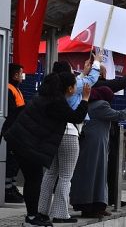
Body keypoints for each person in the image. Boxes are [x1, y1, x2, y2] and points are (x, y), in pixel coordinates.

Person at [4, 72, 90, 227]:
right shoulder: (57, 102)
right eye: (74, 86)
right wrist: (85, 98)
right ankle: (32, 218)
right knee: (34, 180)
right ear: (70, 88)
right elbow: (77, 117)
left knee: (35, 179)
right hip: (26, 143)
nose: (76, 88)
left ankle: (36, 214)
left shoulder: (47, 96)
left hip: (21, 140)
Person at [37, 56, 101, 223]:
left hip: (52, 134)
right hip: (69, 133)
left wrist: (82, 74)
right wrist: (97, 62)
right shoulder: (72, 87)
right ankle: (60, 213)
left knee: (50, 174)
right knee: (66, 176)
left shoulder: (50, 88)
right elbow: (92, 80)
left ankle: (41, 211)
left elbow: (77, 83)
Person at [70, 86, 126, 218]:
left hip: (91, 144)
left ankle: (94, 205)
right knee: (96, 175)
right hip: (96, 146)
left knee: (92, 175)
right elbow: (119, 115)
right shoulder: (101, 105)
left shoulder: (91, 104)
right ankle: (93, 206)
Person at [93, 63, 126, 207]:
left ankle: (108, 198)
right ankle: (104, 199)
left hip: (100, 135)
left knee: (108, 168)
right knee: (107, 167)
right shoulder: (98, 96)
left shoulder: (90, 89)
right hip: (100, 137)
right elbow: (116, 84)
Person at [1, 63, 25, 203]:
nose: (23, 76)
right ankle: (7, 189)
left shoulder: (16, 89)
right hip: (12, 131)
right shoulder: (9, 89)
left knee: (15, 162)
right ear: (15, 75)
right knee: (10, 162)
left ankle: (12, 187)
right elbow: (11, 112)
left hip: (17, 131)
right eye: (21, 73)